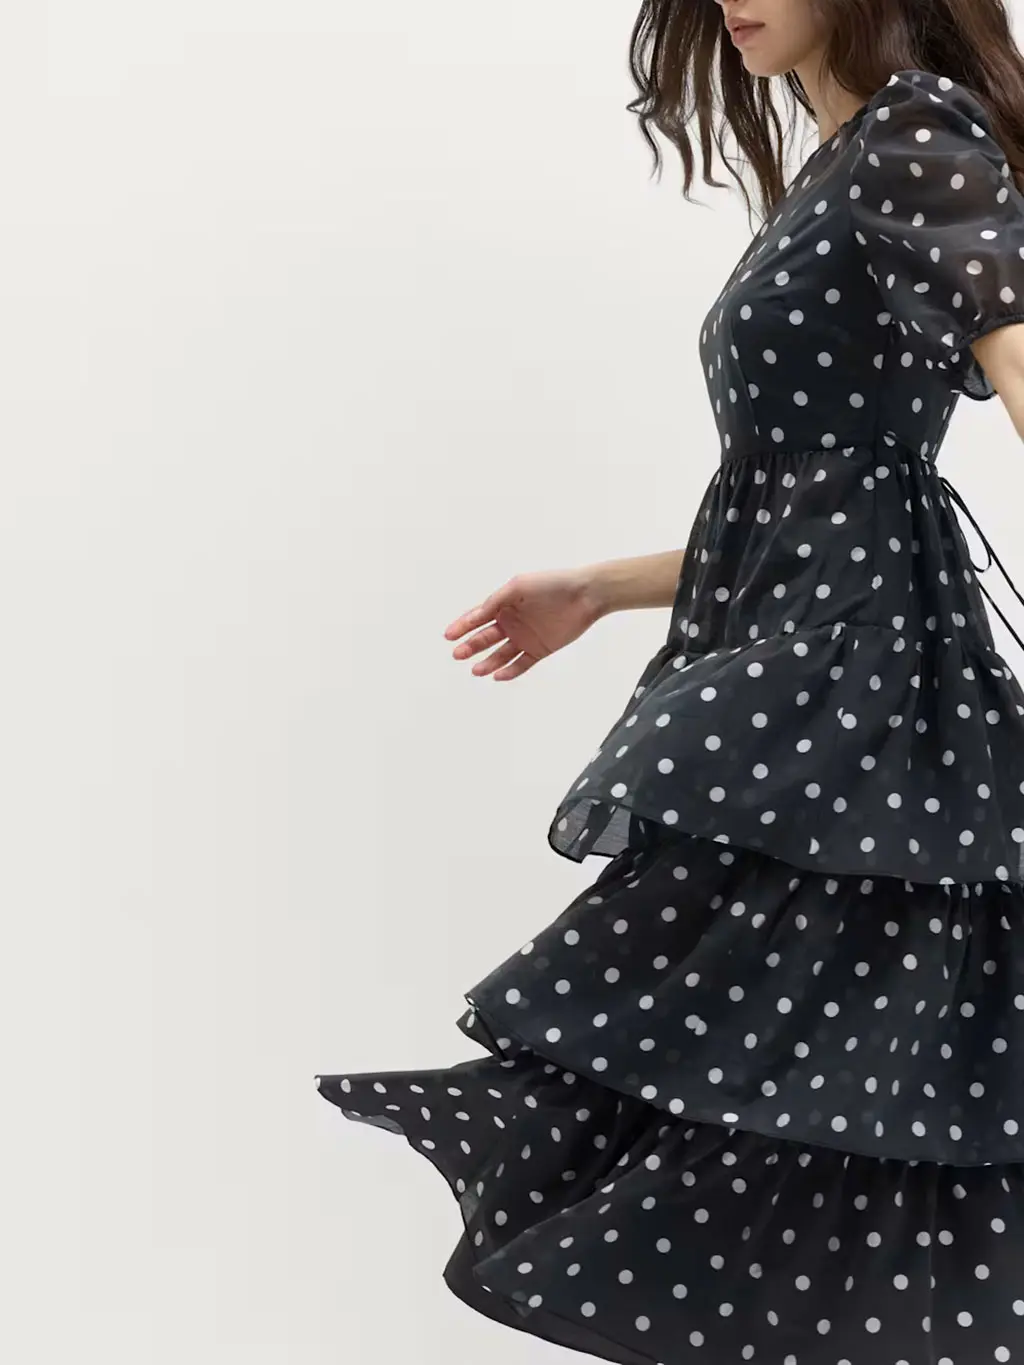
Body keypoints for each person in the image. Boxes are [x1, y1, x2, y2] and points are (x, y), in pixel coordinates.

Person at [317, 1, 1024, 1359]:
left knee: (782, 1079)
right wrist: (596, 587)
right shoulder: (845, 159)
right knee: (792, 1091)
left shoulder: (919, 136)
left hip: (853, 688)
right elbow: (811, 483)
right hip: (801, 649)